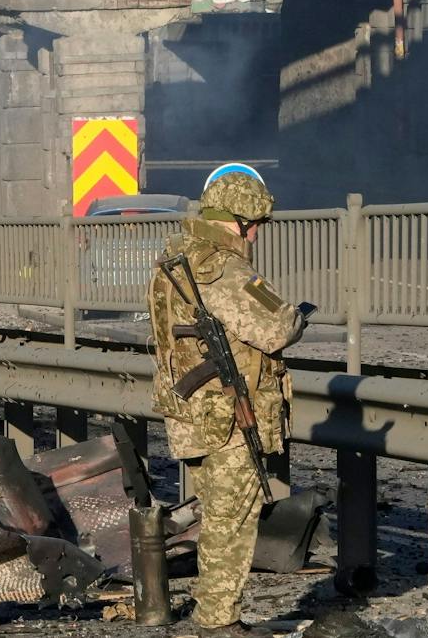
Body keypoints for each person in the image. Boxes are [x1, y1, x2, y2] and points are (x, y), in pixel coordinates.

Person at [147, 165, 307, 637]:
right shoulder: (222, 267)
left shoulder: (176, 257)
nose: (255, 234)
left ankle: (214, 612)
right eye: (253, 224)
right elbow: (275, 328)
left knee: (219, 511)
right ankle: (218, 621)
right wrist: (297, 318)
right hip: (227, 415)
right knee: (232, 518)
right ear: (238, 219)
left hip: (194, 410)